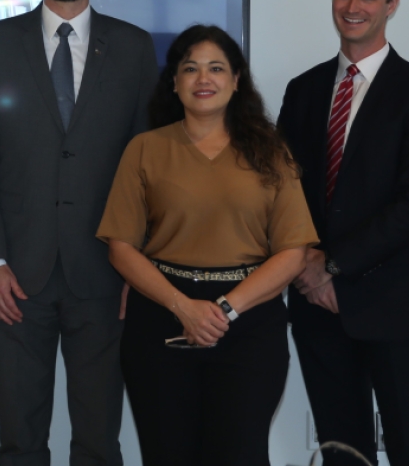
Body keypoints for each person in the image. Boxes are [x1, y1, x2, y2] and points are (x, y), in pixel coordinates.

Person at [0, 0, 158, 465]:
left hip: (105, 271)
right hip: (16, 277)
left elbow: (147, 165)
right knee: (20, 440)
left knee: (99, 439)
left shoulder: (134, 47)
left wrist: (137, 265)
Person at [98, 24, 317, 465]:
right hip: (160, 319)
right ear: (174, 82)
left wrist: (225, 310)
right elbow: (121, 247)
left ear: (237, 80)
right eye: (190, 68)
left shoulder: (272, 152)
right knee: (167, 454)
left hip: (249, 323)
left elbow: (292, 252)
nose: (204, 79)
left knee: (239, 453)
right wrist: (184, 307)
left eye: (216, 68)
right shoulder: (144, 149)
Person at [278, 0, 409, 466]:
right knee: (342, 453)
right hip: (315, 307)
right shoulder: (303, 90)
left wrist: (332, 265)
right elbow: (282, 193)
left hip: (394, 306)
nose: (353, 6)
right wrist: (307, 266)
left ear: (392, 3)